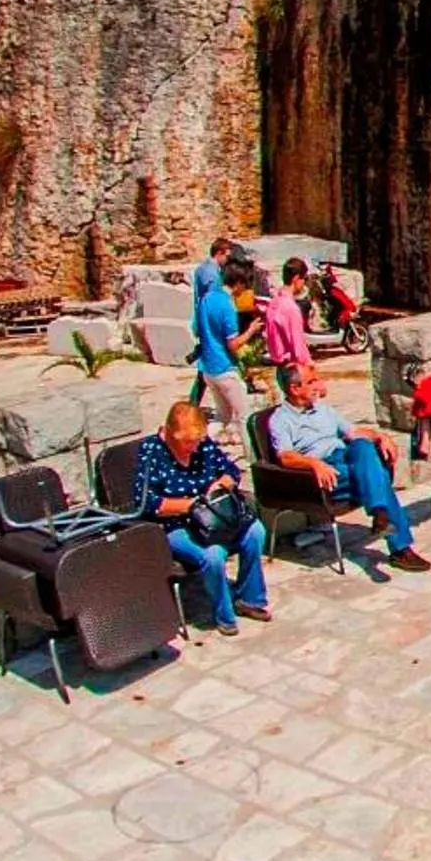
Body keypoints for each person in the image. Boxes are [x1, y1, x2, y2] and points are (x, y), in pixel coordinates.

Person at [268, 368, 431, 572]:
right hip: (321, 472)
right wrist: (314, 464)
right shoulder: (280, 419)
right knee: (378, 476)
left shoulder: (323, 409)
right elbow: (285, 456)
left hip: (346, 457)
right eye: (312, 382)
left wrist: (380, 436)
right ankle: (399, 546)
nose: (318, 386)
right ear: (294, 388)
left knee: (363, 445)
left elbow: (353, 432)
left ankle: (380, 512)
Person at [132, 402, 269, 635]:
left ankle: (250, 598)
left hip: (213, 515)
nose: (194, 448)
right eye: (188, 443)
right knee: (213, 555)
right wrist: (192, 506)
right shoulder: (152, 451)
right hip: (176, 522)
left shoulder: (201, 444)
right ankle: (224, 615)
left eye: (197, 442)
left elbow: (231, 471)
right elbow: (146, 502)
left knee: (255, 531)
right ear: (172, 435)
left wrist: (221, 484)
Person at [192, 253, 255, 441]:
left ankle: (198, 441)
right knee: (246, 417)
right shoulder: (227, 307)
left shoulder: (207, 298)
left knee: (222, 416)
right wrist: (251, 331)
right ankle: (253, 458)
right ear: (238, 283)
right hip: (224, 368)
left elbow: (196, 329)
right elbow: (233, 344)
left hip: (207, 368)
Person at [261, 257, 315, 394]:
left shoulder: (274, 303)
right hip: (293, 369)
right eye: (304, 279)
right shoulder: (290, 308)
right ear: (297, 278)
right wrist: (311, 370)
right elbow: (298, 347)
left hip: (279, 367)